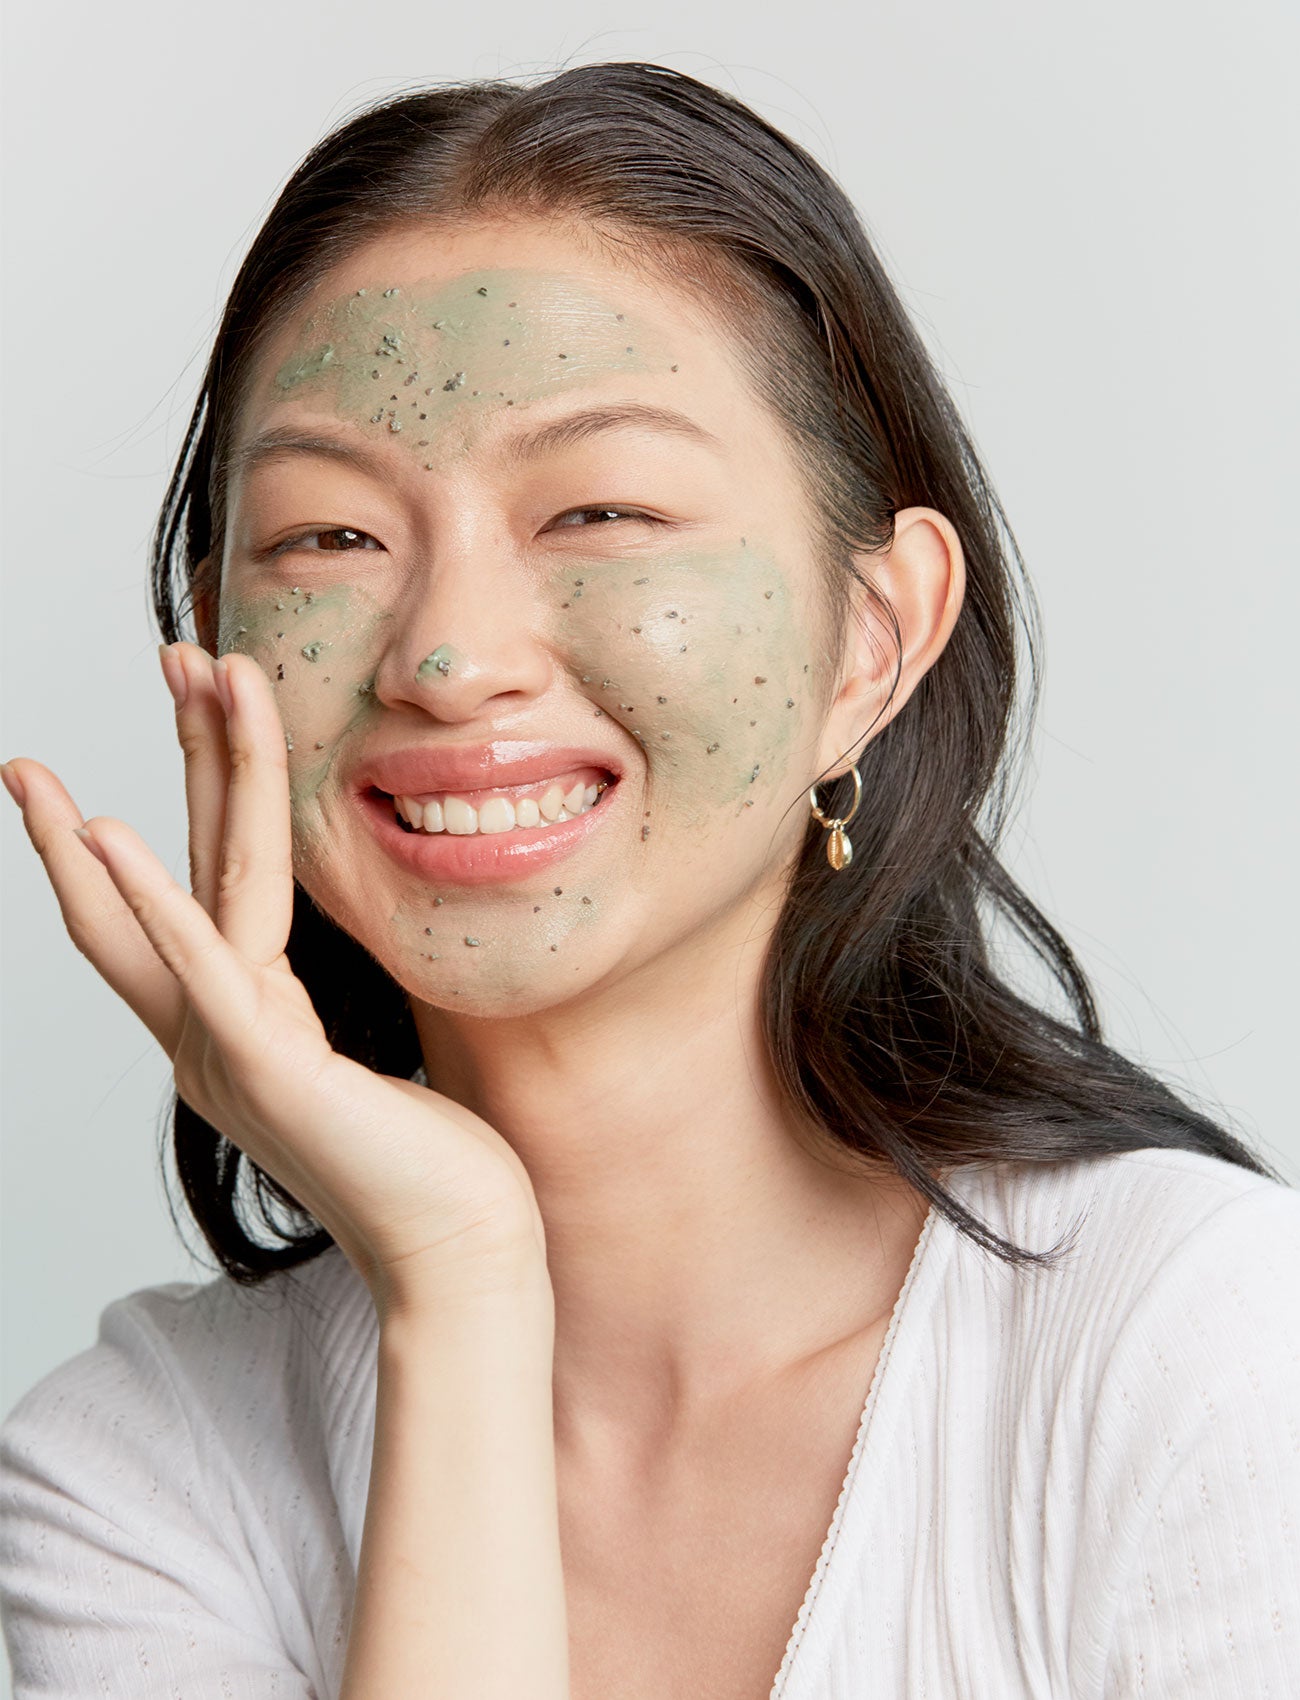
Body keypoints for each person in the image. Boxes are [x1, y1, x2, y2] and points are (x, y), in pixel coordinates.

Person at [1, 60, 1296, 1700]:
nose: (450, 657)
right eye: (328, 538)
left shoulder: (1207, 1362)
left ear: (873, 642)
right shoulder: (148, 1471)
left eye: (601, 511)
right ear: (222, 661)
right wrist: (462, 1289)